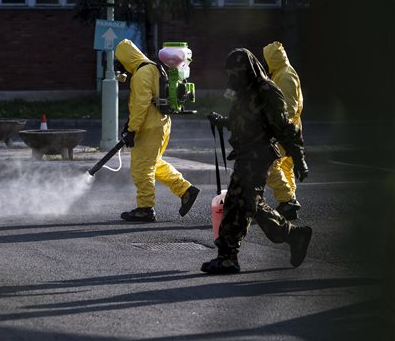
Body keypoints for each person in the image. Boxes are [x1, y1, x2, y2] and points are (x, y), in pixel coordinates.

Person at [202, 48, 312, 274]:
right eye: (230, 72)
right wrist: (222, 122)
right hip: (246, 154)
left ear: (248, 70)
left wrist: (299, 159)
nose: (232, 77)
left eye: (236, 72)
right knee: (254, 206)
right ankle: (294, 235)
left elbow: (286, 129)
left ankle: (227, 257)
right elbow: (242, 122)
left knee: (236, 204)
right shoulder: (244, 91)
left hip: (259, 156)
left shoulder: (267, 91)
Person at [114, 39, 199, 222]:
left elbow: (141, 104)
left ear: (126, 59)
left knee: (141, 168)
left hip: (149, 126)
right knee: (154, 163)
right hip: (161, 123)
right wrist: (130, 126)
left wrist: (131, 130)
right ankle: (185, 190)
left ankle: (145, 208)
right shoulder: (152, 67)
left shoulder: (142, 73)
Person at [263, 41, 304, 220]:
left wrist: (272, 124)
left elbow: (286, 108)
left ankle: (287, 200)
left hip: (282, 129)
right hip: (289, 129)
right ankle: (289, 201)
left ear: (273, 59)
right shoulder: (281, 73)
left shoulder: (285, 76)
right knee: (285, 166)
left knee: (269, 164)